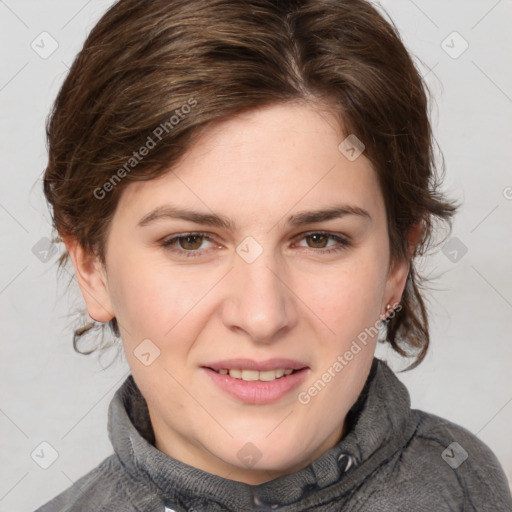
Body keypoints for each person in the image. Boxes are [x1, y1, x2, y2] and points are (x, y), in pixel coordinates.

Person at [35, 0, 512, 510]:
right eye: (190, 241)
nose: (262, 316)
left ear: (397, 266)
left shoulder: (465, 487)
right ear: (92, 267)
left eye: (319, 239)